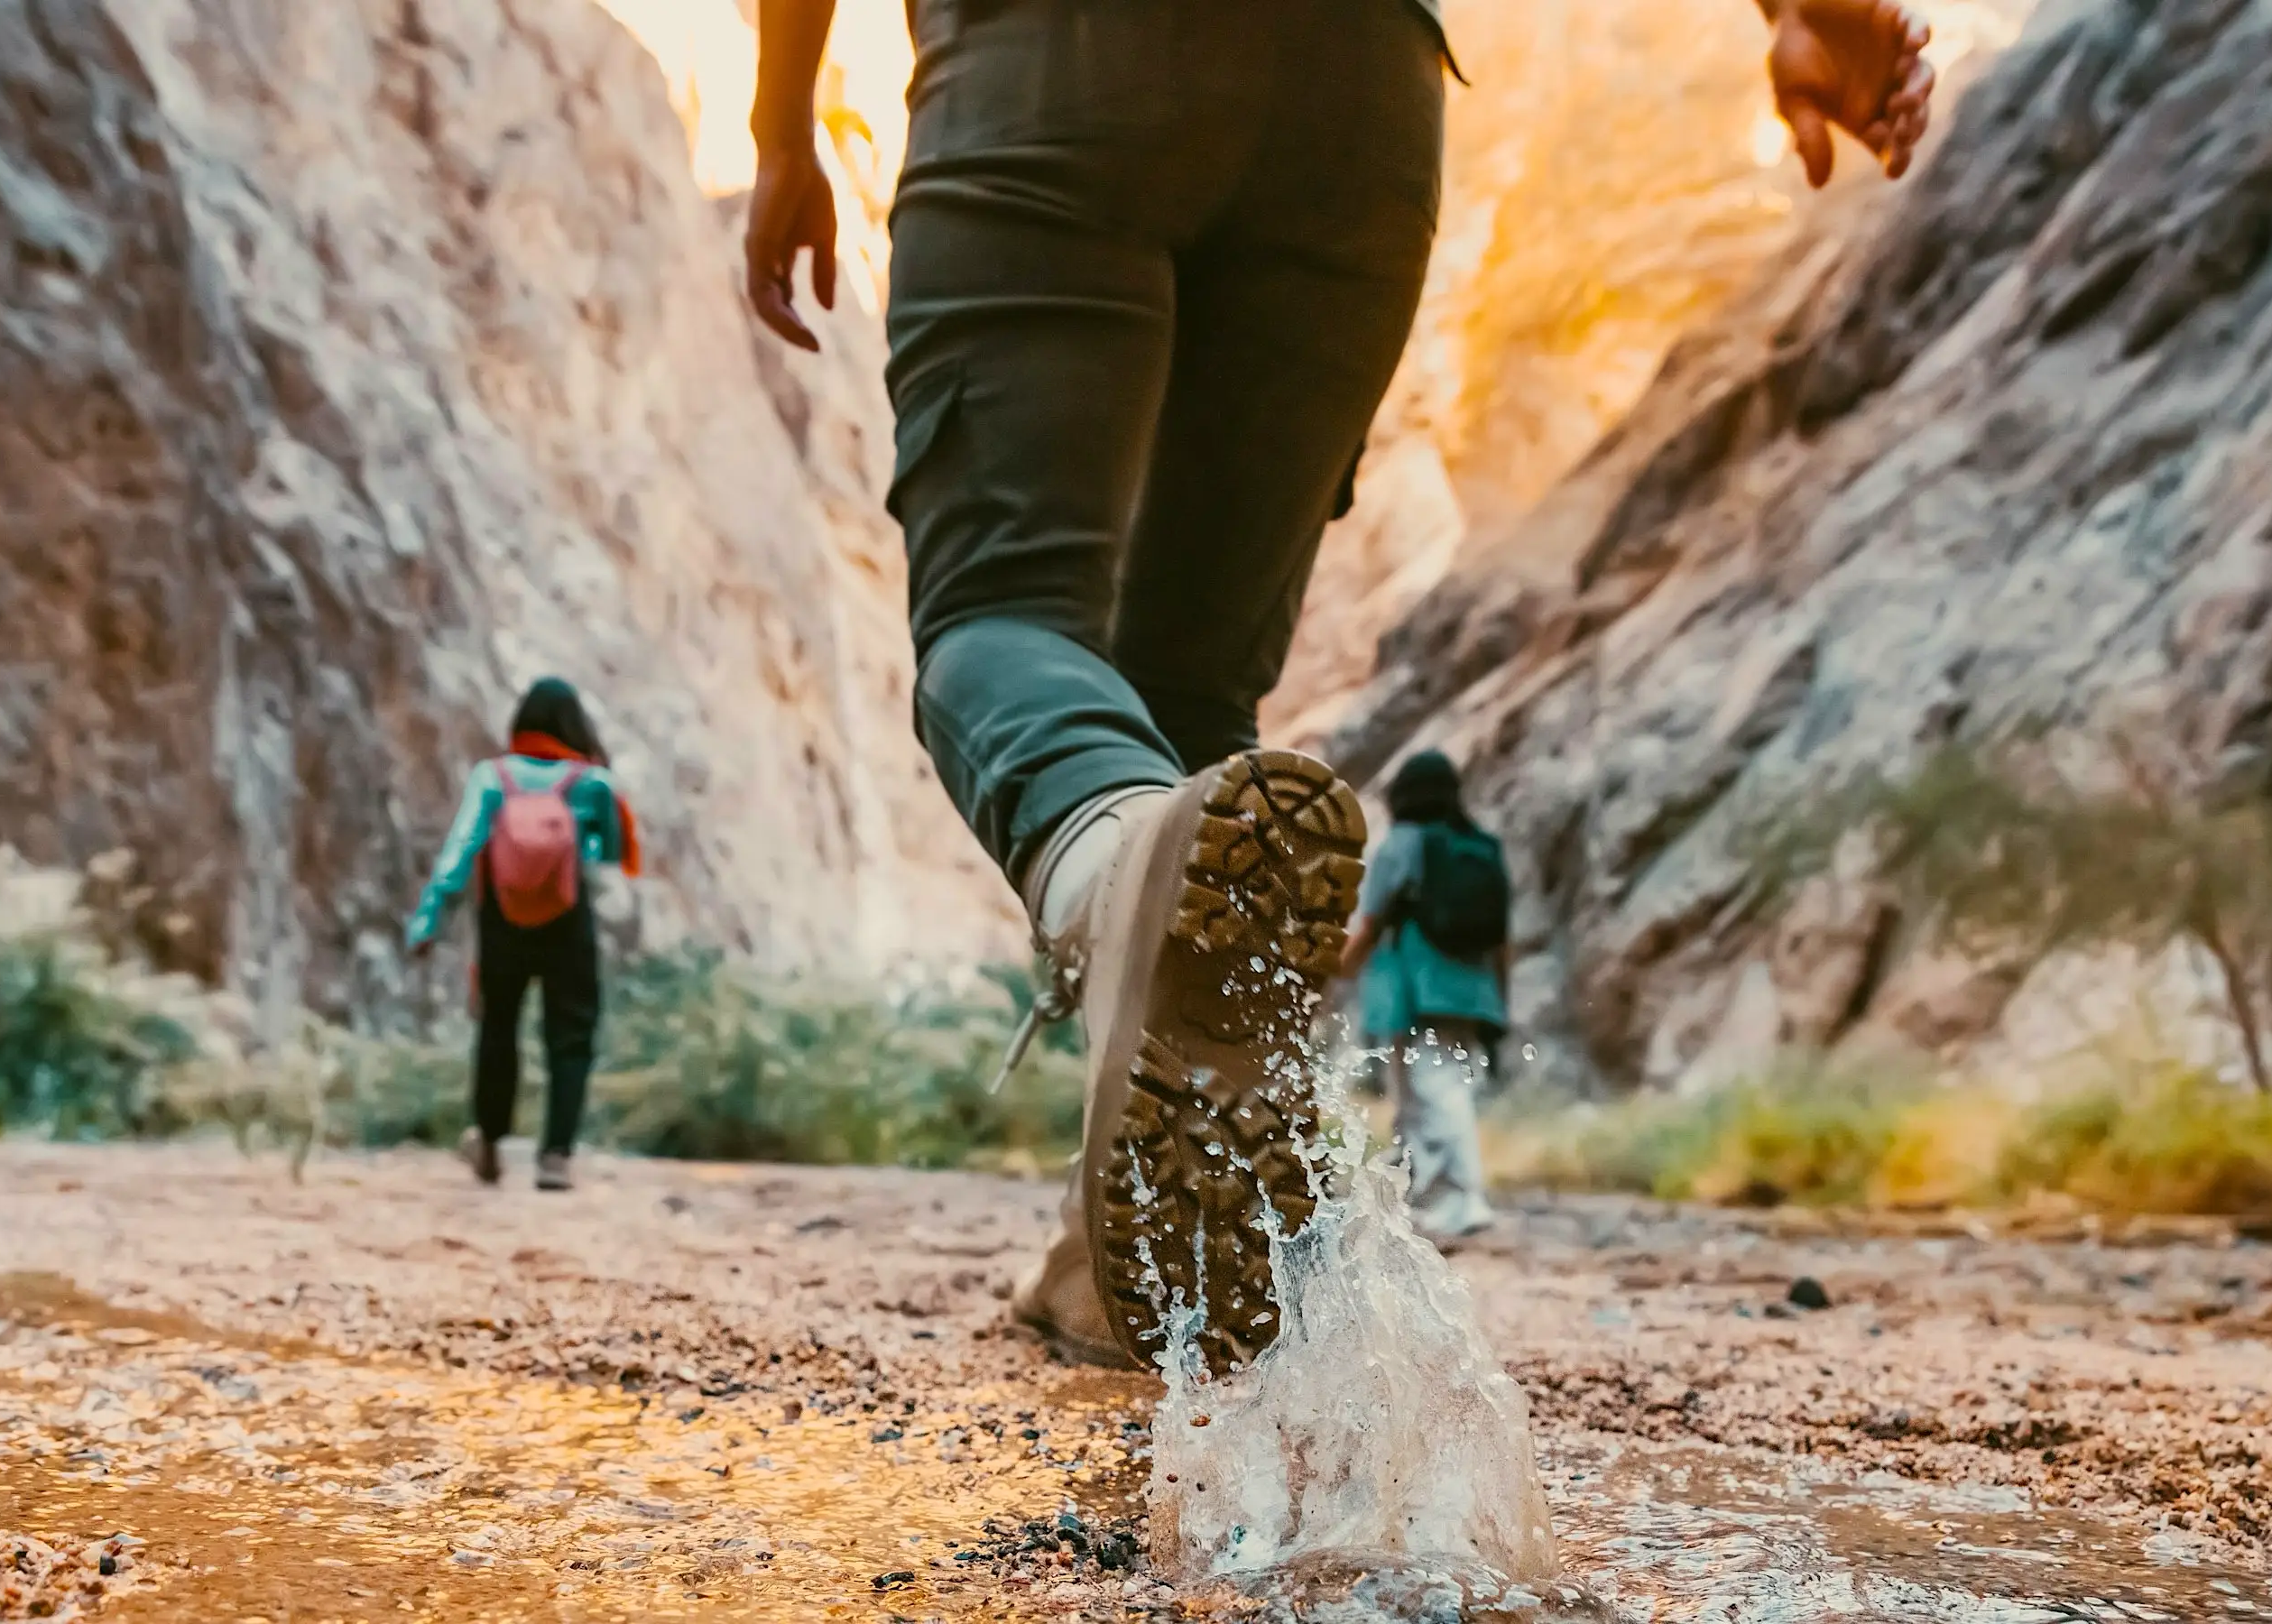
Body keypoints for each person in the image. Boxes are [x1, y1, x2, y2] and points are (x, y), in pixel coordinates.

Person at [741, 0, 1936, 1370]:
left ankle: (1108, 876)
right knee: (1188, 719)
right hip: (1361, 103)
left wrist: (784, 129)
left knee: (998, 621)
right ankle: (1127, 1254)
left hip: (1054, 71)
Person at [405, 678, 642, 1193]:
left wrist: (429, 919)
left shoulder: (492, 777)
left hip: (502, 919)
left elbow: (461, 849)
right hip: (565, 918)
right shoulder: (593, 782)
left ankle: (489, 1143)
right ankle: (555, 1155)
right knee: (571, 1036)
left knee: (498, 1029)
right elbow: (609, 852)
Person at [1338, 751, 1512, 1241]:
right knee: (1436, 1094)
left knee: (1433, 1095)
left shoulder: (1403, 845)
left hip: (1415, 993)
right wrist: (1500, 997)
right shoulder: (1480, 847)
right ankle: (1433, 1200)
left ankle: (1463, 1199)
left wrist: (1325, 971)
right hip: (1471, 993)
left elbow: (1369, 926)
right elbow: (1501, 940)